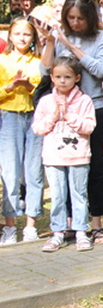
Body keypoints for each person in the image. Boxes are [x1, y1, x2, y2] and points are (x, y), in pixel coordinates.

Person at [38, 0, 103, 243]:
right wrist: (51, 42)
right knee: (65, 165)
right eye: (71, 18)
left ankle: (97, 223)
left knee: (93, 166)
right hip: (60, 110)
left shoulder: (102, 37)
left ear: (90, 17)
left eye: (80, 18)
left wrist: (70, 46)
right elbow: (45, 71)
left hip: (91, 106)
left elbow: (100, 69)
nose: (75, 23)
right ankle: (71, 223)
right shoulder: (61, 35)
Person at [32, 57, 96, 251]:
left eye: (67, 77)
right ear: (51, 77)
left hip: (78, 156)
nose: (62, 81)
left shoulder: (84, 100)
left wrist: (68, 115)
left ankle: (81, 232)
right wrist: (53, 116)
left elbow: (89, 126)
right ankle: (58, 232)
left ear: (76, 78)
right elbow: (37, 128)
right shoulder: (45, 101)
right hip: (53, 157)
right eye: (58, 77)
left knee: (79, 194)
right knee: (58, 196)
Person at [0, 18, 45, 245]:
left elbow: (45, 91)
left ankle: (30, 225)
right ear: (10, 36)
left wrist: (29, 87)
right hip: (8, 118)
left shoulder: (38, 61)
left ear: (33, 38)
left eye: (26, 35)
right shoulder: (3, 60)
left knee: (33, 171)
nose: (22, 38)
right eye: (17, 34)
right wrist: (9, 88)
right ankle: (9, 227)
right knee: (10, 171)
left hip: (34, 118)